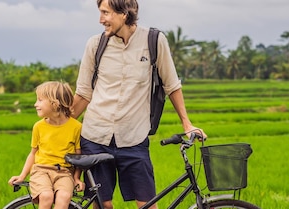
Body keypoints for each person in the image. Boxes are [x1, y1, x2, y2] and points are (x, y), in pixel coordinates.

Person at [71, 0, 207, 208]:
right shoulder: (95, 45)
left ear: (124, 13)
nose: (101, 20)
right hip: (95, 136)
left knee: (147, 204)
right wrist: (54, 129)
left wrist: (187, 125)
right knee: (103, 205)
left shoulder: (154, 41)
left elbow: (172, 85)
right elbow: (83, 94)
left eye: (105, 13)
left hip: (134, 138)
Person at [8, 81, 85, 209]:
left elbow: (78, 156)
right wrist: (22, 176)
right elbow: (33, 153)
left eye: (40, 100)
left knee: (64, 197)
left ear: (55, 103)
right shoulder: (39, 127)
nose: (35, 104)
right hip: (41, 171)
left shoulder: (76, 127)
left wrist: (77, 178)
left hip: (65, 172)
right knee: (46, 196)